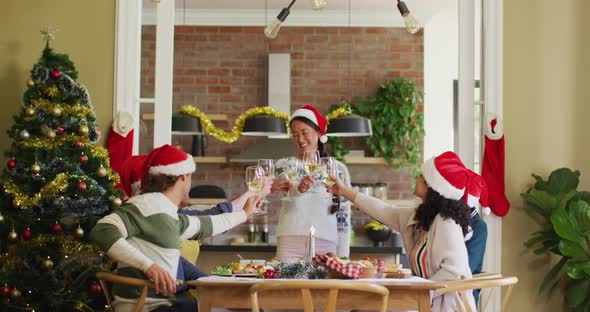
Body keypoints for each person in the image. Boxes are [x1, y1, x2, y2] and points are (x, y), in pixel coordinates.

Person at [90, 145, 262, 312]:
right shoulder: (143, 206)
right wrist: (149, 266)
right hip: (147, 306)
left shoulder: (166, 212)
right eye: (190, 177)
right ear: (182, 177)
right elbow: (102, 231)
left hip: (165, 304)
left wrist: (245, 214)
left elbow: (207, 224)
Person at [325, 151, 481, 311]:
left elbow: (454, 270)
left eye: (421, 176)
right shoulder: (422, 216)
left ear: (432, 187)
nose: (417, 178)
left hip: (446, 307)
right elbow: (384, 210)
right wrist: (344, 191)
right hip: (423, 303)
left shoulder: (446, 222)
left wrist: (423, 292)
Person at [270, 105, 351, 260]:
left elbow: (343, 214)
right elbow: (282, 195)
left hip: (326, 243)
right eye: (294, 134)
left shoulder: (338, 169)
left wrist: (343, 256)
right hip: (289, 241)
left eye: (304, 132)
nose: (300, 139)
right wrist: (298, 189)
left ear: (319, 133)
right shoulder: (283, 165)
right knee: (286, 285)